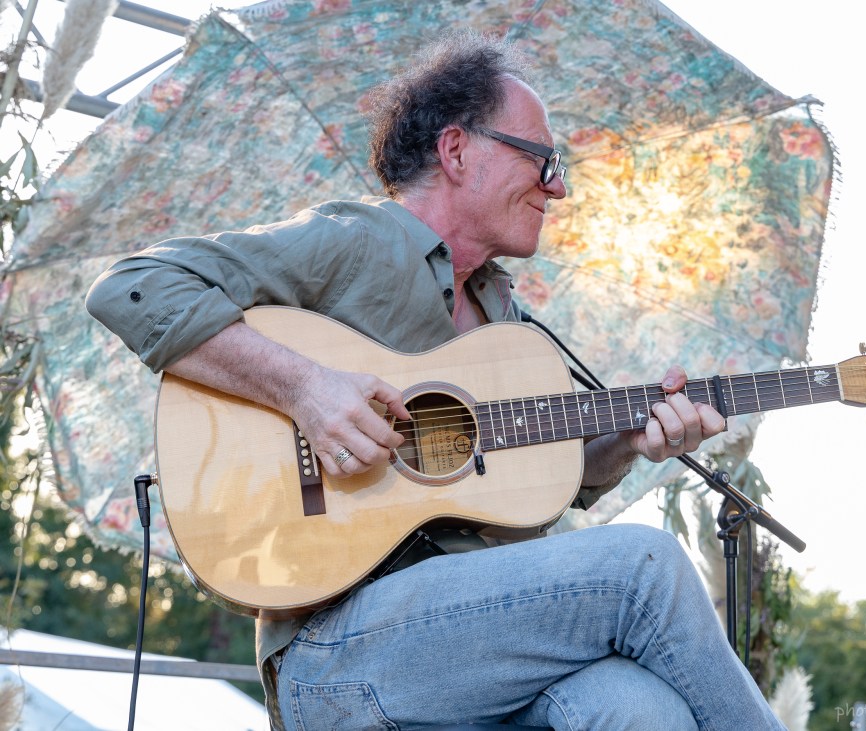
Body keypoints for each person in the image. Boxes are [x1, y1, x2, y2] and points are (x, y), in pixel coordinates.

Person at [86, 32, 785, 731]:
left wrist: (629, 438)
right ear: (456, 151)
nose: (558, 187)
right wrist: (305, 389)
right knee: (645, 566)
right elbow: (134, 286)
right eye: (542, 160)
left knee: (637, 706)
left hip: (476, 648)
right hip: (337, 649)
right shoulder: (357, 241)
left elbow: (553, 473)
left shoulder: (506, 321)